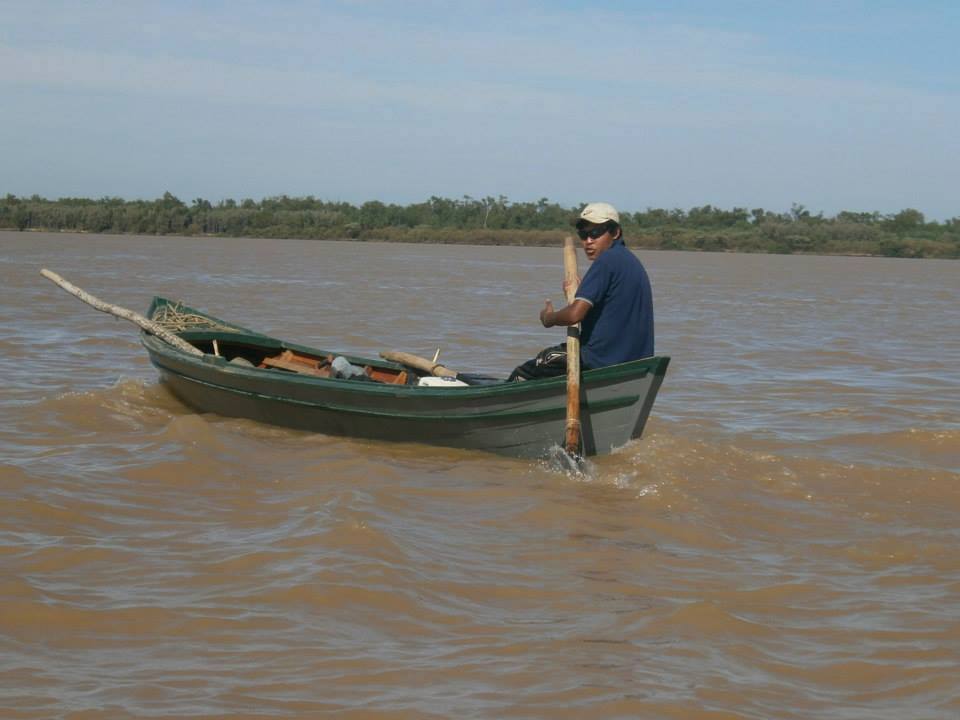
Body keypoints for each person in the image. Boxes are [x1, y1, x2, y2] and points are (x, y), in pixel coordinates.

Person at [508, 202, 654, 381]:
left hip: (600, 360)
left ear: (615, 233)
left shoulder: (606, 261)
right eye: (584, 235)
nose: (588, 241)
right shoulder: (630, 262)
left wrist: (549, 318)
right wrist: (577, 295)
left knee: (537, 363)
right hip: (634, 363)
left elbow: (574, 315)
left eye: (595, 233)